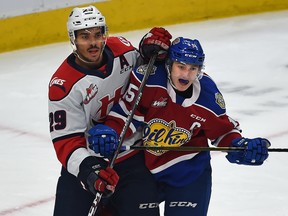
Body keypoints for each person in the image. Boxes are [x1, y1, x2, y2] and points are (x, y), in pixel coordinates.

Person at [88, 37, 271, 215]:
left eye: (193, 69)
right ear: (169, 64)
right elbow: (126, 115)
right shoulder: (148, 80)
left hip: (189, 175)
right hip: (146, 172)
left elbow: (223, 131)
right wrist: (110, 131)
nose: (186, 74)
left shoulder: (207, 96)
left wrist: (240, 146)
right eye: (181, 67)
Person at [48, 4, 172, 216]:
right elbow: (66, 141)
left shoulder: (122, 51)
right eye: (85, 36)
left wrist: (151, 50)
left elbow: (146, 71)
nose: (94, 42)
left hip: (132, 156)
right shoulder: (63, 85)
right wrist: (89, 171)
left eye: (98, 34)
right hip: (88, 162)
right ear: (73, 39)